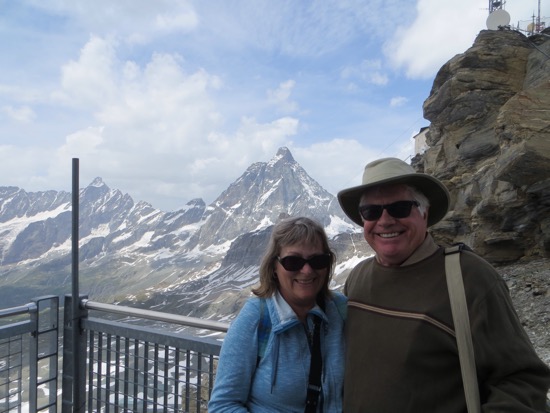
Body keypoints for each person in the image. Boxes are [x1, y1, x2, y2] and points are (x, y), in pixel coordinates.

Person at [337, 157, 550, 412]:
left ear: (424, 213)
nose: (385, 220)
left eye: (400, 208)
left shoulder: (470, 277)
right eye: (371, 211)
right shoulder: (358, 277)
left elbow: (523, 380)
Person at [208, 216, 346, 412]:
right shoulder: (256, 317)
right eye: (293, 261)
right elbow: (222, 405)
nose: (307, 270)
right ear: (274, 266)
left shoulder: (340, 310)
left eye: (317, 260)